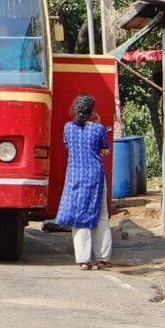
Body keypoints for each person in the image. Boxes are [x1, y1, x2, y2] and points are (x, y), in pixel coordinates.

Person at [54, 94, 112, 270]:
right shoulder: (98, 129)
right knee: (101, 214)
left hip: (75, 176)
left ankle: (83, 260)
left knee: (79, 216)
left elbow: (67, 146)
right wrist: (98, 122)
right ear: (92, 111)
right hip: (95, 176)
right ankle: (103, 258)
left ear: (74, 109)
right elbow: (104, 149)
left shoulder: (68, 128)